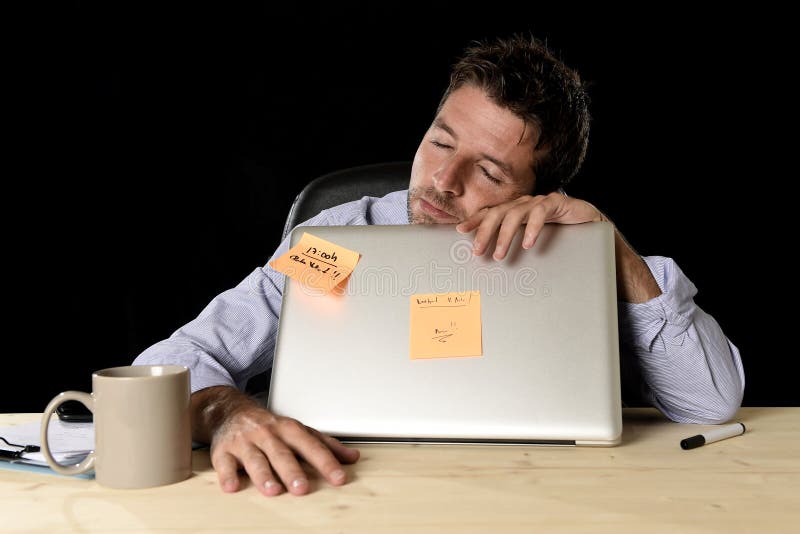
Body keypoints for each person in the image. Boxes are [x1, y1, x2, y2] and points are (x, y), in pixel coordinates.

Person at [133, 34, 744, 497]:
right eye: (442, 141)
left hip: (545, 496)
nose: (442, 181)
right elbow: (164, 367)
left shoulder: (576, 254)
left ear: (539, 192)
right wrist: (226, 412)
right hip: (341, 488)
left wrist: (613, 252)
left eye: (488, 171)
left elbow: (710, 404)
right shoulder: (339, 244)